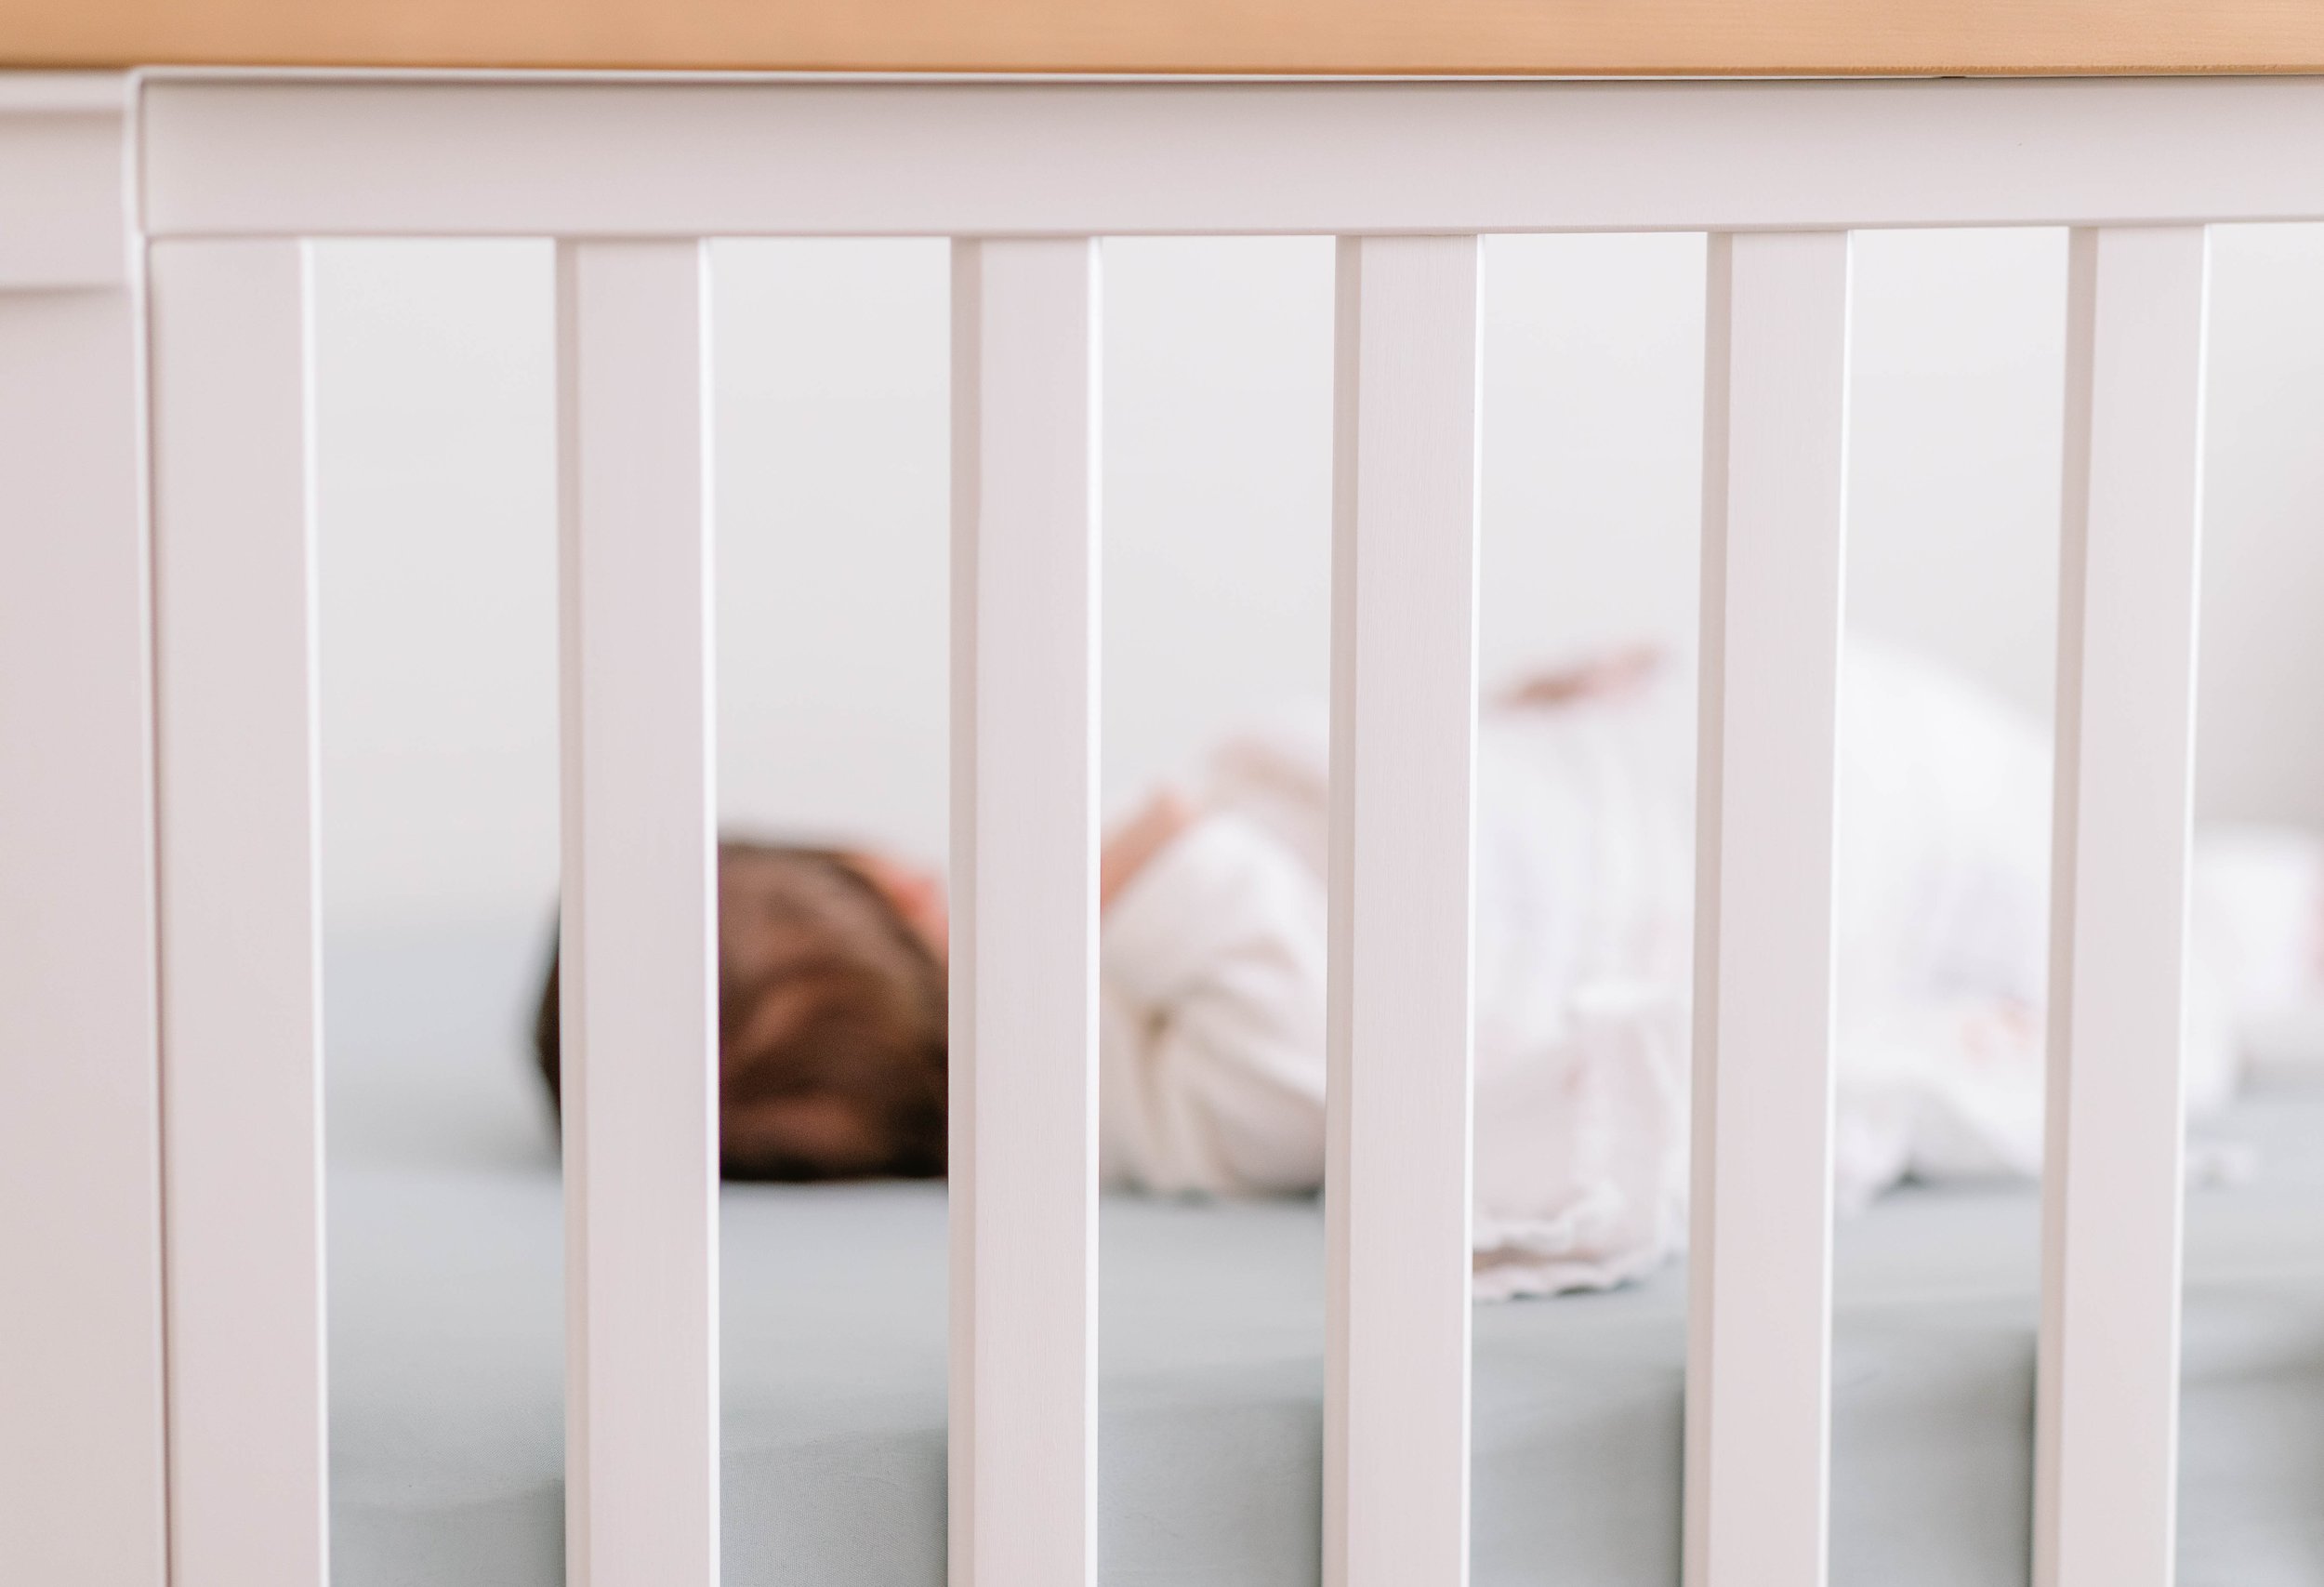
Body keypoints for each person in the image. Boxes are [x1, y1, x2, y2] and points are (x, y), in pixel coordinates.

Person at [534, 640, 2324, 1297]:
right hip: (1728, 849)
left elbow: (1350, 821)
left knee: (2147, 895)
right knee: (2162, 928)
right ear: (892, 890)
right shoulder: (1108, 1085)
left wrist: (1494, 711)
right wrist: (1147, 873)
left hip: (1656, 778)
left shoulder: (1076, 1023)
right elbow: (1321, 1070)